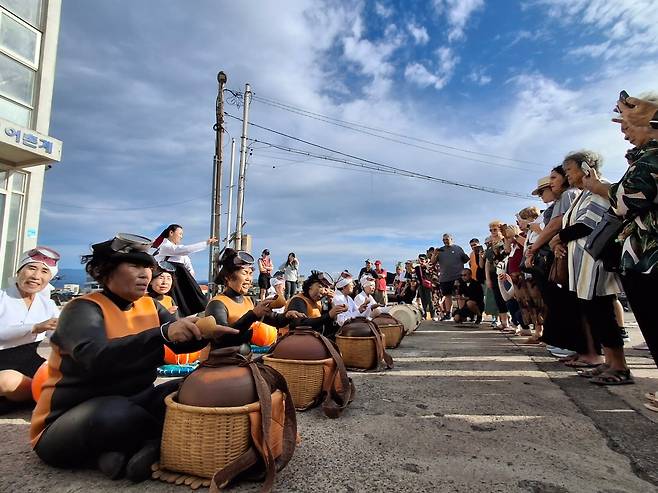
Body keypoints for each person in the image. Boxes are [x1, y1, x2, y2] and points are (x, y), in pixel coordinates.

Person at [30, 233, 239, 482]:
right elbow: (95, 358)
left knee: (198, 385)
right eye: (135, 265)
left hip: (138, 401)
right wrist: (162, 333)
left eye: (148, 267)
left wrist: (205, 334)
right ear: (103, 271)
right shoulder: (83, 308)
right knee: (116, 414)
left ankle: (121, 451)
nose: (145, 274)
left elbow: (179, 343)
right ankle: (155, 443)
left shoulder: (151, 306)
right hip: (70, 420)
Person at [584, 94, 658, 376]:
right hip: (641, 256)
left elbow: (630, 198)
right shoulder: (644, 156)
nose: (623, 131)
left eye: (628, 124)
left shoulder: (653, 156)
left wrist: (602, 188)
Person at [550, 151, 630, 384]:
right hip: (582, 263)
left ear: (586, 167)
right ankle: (609, 362)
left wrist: (558, 238)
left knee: (602, 312)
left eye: (570, 170)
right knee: (594, 313)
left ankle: (620, 366)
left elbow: (587, 225)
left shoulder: (599, 188)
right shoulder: (581, 195)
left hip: (594, 262)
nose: (568, 175)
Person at [0, 248, 60, 414]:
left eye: (44, 271)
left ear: (49, 278)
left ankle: (32, 396)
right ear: (19, 271)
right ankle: (38, 396)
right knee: (8, 380)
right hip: (2, 365)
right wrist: (34, 327)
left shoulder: (48, 305)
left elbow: (58, 337)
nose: (36, 276)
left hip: (30, 362)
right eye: (31, 268)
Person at [205, 249, 304, 349]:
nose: (249, 279)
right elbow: (222, 337)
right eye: (244, 273)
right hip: (222, 362)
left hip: (244, 361)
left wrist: (287, 316)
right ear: (228, 277)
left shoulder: (249, 301)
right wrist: (253, 315)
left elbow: (275, 320)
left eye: (250, 273)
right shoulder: (217, 304)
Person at [152, 224, 216, 316]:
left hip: (181, 281)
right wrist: (206, 243)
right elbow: (184, 250)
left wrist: (189, 281)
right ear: (171, 233)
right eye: (180, 234)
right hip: (171, 279)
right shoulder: (166, 246)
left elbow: (189, 267)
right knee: (173, 304)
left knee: (185, 305)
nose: (181, 237)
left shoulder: (178, 250)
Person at [286, 271, 347, 338]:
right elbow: (300, 324)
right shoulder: (298, 300)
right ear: (310, 285)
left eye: (326, 288)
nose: (324, 291)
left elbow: (327, 324)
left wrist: (331, 305)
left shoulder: (320, 302)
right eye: (320, 286)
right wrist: (329, 315)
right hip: (299, 341)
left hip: (316, 339)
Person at [432, 234, 470, 321]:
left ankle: (462, 313)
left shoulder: (458, 248)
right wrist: (434, 254)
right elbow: (432, 262)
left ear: (451, 239)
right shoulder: (440, 250)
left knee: (459, 295)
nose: (445, 241)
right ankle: (448, 314)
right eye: (443, 240)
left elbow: (466, 260)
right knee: (447, 295)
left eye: (447, 239)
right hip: (445, 277)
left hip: (457, 276)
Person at [484, 222, 511, 330]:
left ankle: (512, 321)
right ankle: (504, 322)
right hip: (494, 273)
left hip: (506, 272)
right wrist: (488, 278)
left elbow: (508, 251)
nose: (492, 232)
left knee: (508, 297)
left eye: (494, 229)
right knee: (498, 297)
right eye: (491, 230)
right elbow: (487, 262)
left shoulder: (505, 241)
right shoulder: (490, 245)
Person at [415, 254, 436, 321]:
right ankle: (425, 315)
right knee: (423, 301)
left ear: (426, 260)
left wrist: (426, 266)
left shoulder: (429, 266)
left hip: (428, 286)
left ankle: (433, 315)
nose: (420, 261)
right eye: (419, 259)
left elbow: (432, 273)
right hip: (421, 285)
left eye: (422, 259)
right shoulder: (418, 268)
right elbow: (411, 270)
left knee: (430, 300)